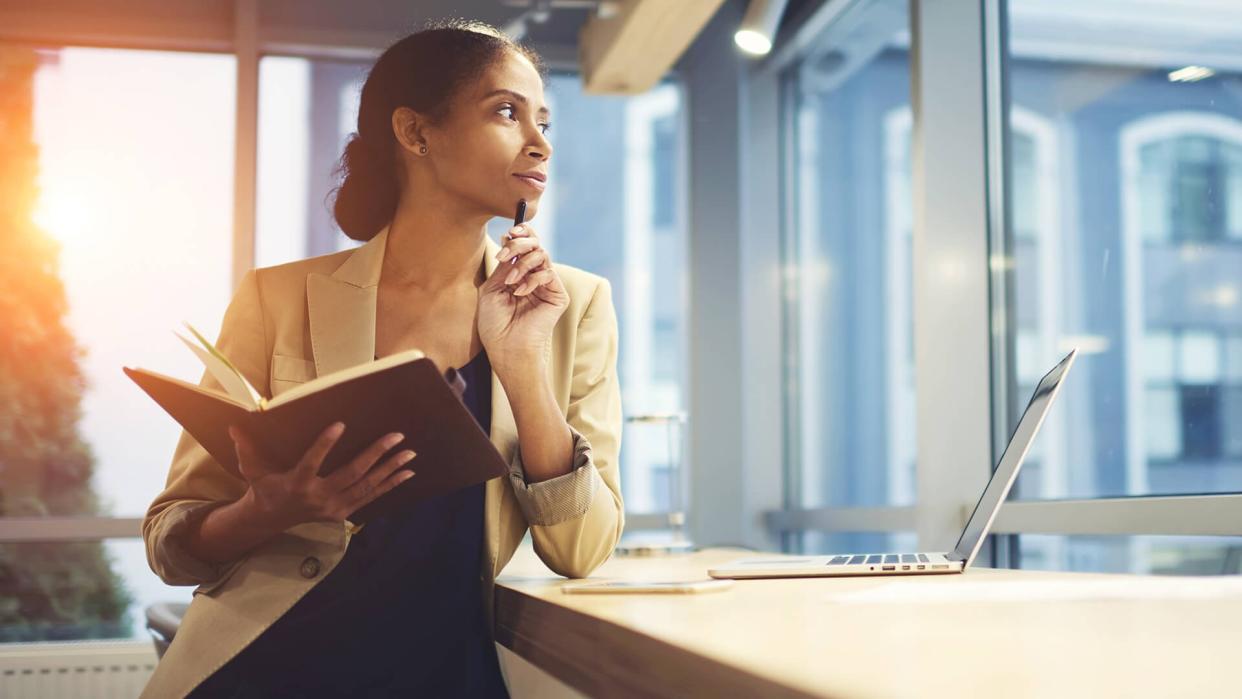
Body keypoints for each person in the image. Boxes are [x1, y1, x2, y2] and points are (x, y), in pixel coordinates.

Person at [139, 18, 625, 698]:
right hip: (267, 667)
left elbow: (582, 549)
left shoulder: (574, 304)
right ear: (416, 132)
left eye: (544, 119)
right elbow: (169, 540)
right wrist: (267, 509)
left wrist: (522, 368)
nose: (539, 142)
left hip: (446, 672)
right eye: (507, 112)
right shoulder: (277, 298)